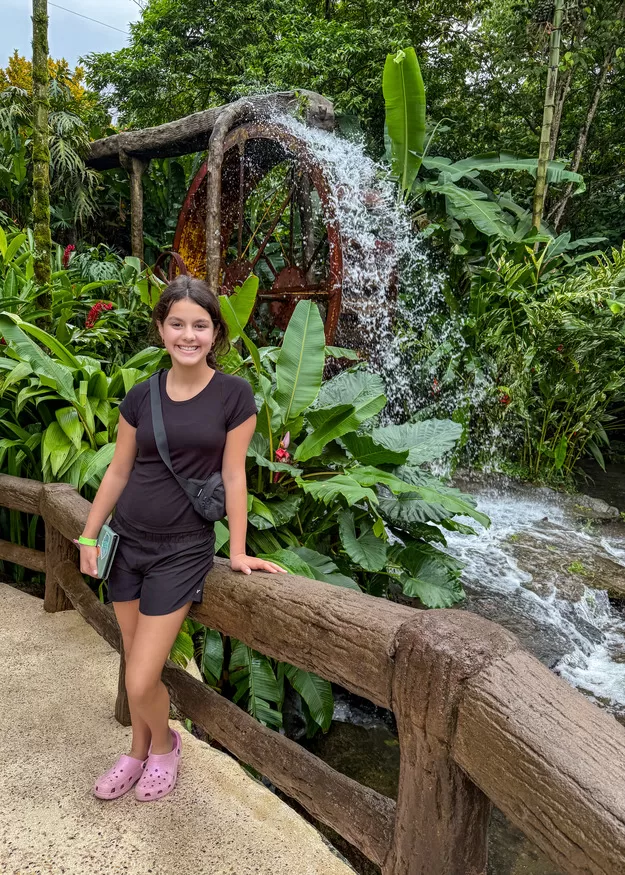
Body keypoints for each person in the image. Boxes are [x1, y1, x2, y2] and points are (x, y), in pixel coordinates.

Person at [75, 276, 286, 803]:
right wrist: (89, 534)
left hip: (182, 550)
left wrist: (236, 550)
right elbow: (119, 472)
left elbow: (234, 475)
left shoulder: (234, 395)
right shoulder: (141, 396)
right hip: (127, 544)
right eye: (177, 324)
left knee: (143, 677)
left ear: (215, 332)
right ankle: (135, 751)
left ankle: (166, 746)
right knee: (132, 663)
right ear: (162, 328)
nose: (188, 335)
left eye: (200, 325)